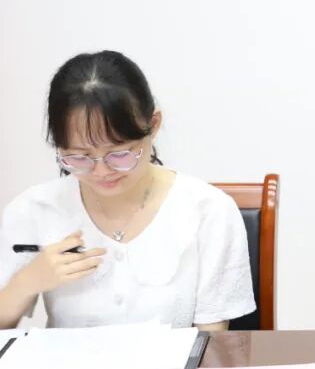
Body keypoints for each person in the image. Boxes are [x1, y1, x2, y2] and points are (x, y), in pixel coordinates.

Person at [0, 51, 256, 330]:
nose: (101, 171)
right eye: (79, 157)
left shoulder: (207, 211)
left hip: (173, 362)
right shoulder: (34, 210)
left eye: (119, 154)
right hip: (67, 361)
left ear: (153, 126)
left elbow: (212, 341)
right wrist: (27, 282)